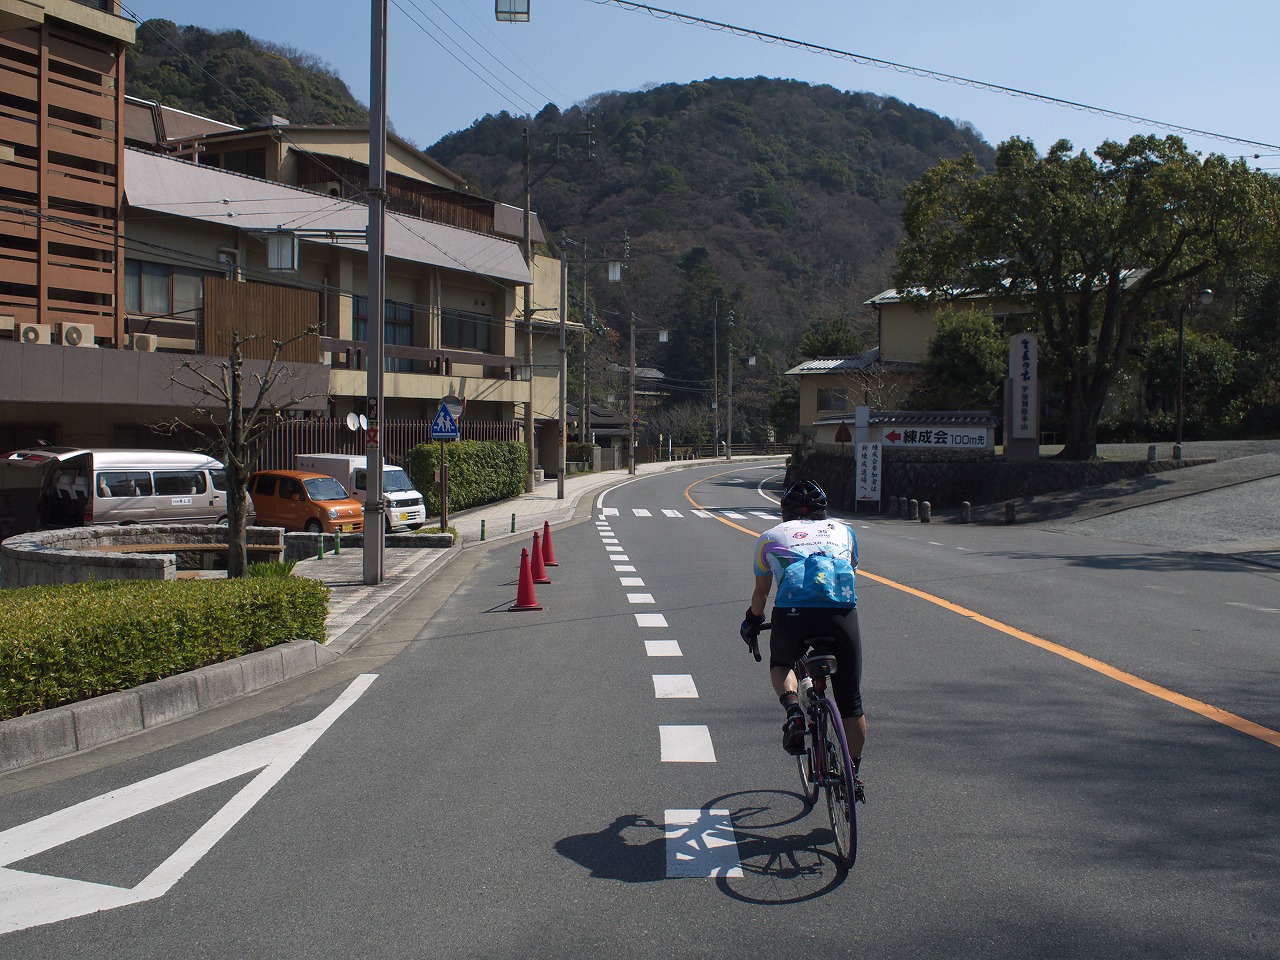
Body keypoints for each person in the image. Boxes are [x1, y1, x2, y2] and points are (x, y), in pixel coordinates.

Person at [741, 479, 866, 789]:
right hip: (841, 615)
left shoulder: (770, 538)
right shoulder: (844, 533)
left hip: (793, 614)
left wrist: (751, 621)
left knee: (781, 664)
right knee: (851, 704)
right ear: (823, 513)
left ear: (786, 512)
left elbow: (761, 594)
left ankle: (794, 711)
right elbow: (849, 574)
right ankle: (852, 775)